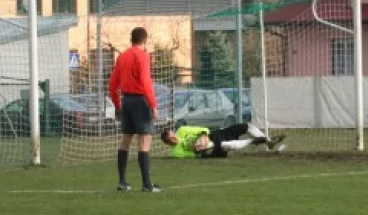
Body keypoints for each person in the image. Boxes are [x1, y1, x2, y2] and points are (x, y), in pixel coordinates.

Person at [108, 27, 161, 192]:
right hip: (140, 101)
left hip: (127, 101)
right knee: (144, 141)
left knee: (125, 141)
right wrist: (153, 105)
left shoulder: (122, 57)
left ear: (131, 39)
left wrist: (117, 105)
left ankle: (122, 182)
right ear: (144, 41)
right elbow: (145, 82)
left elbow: (111, 85)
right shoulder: (143, 56)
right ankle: (147, 185)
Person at [160, 123, 285, 159]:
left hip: (215, 135)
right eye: (171, 140)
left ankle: (269, 142)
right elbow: (194, 155)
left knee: (246, 126)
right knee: (226, 146)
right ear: (167, 143)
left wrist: (203, 136)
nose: (174, 139)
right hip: (211, 149)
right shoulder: (177, 153)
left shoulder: (181, 130)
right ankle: (254, 141)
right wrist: (200, 149)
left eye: (173, 136)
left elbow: (203, 128)